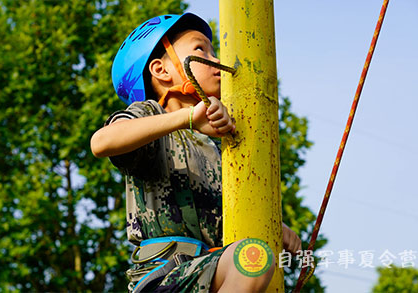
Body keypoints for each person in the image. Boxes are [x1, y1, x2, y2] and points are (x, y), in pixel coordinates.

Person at [90, 12, 301, 292]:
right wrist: (188, 117)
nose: (216, 61)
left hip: (209, 269)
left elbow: (223, 209)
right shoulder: (150, 116)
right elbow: (102, 142)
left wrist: (274, 224)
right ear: (160, 70)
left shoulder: (213, 145)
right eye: (201, 50)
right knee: (250, 257)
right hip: (163, 278)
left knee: (254, 256)